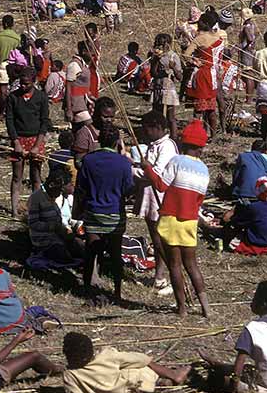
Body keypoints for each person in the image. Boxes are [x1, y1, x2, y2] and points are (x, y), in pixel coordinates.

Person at [143, 120, 211, 318]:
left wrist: (147, 167)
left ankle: (181, 308)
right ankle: (206, 308)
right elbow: (199, 200)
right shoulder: (204, 170)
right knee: (192, 265)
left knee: (174, 265)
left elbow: (161, 186)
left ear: (183, 143)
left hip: (171, 218)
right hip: (190, 220)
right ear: (201, 147)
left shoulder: (176, 161)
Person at [199, 281, 267, 393]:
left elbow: (237, 371)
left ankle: (217, 368)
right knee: (250, 369)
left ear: (263, 304)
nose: (252, 301)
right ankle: (218, 364)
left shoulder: (252, 328)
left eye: (255, 298)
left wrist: (233, 387)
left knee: (216, 378)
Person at [75, 125, 133, 305]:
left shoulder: (89, 161)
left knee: (90, 252)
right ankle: (117, 291)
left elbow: (81, 187)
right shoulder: (124, 163)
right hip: (115, 213)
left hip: (93, 212)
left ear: (99, 141)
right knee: (115, 254)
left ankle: (87, 290)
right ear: (117, 142)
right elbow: (128, 189)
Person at [61, 331, 189, 393]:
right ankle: (171, 375)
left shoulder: (70, 375)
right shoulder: (107, 355)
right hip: (133, 389)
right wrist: (147, 360)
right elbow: (139, 359)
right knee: (142, 366)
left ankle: (161, 382)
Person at [133, 111, 179, 297]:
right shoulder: (154, 145)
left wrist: (133, 171)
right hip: (149, 194)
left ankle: (163, 275)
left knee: (160, 237)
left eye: (147, 129)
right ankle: (158, 275)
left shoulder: (166, 147)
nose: (145, 133)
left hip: (159, 195)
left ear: (158, 128)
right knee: (154, 235)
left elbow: (156, 174)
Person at [6, 66, 50, 218]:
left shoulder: (41, 98)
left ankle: (36, 209)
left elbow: (44, 122)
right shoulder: (13, 97)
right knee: (17, 176)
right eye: (21, 83)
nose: (23, 86)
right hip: (19, 138)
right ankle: (14, 210)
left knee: (35, 176)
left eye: (27, 84)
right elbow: (10, 121)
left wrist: (37, 145)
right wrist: (16, 142)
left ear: (34, 82)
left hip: (35, 139)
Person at [184, 13, 224, 136]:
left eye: (200, 22)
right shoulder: (219, 37)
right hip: (214, 75)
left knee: (198, 110)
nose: (198, 24)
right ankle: (214, 135)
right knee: (211, 108)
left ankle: (197, 134)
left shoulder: (200, 39)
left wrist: (195, 61)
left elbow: (186, 55)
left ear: (205, 24)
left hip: (202, 75)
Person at [150, 33, 183, 140]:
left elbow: (180, 77)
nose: (160, 47)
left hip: (168, 89)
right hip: (158, 88)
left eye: (163, 45)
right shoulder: (155, 56)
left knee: (170, 117)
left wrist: (173, 68)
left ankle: (174, 138)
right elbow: (153, 73)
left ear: (168, 44)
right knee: (156, 115)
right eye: (158, 45)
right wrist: (155, 61)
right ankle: (158, 136)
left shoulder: (173, 56)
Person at [0, 15, 19, 115]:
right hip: (15, 65)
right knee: (13, 90)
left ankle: (2, 112)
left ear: (5, 24)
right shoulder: (17, 38)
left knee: (3, 90)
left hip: (2, 64)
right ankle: (11, 111)